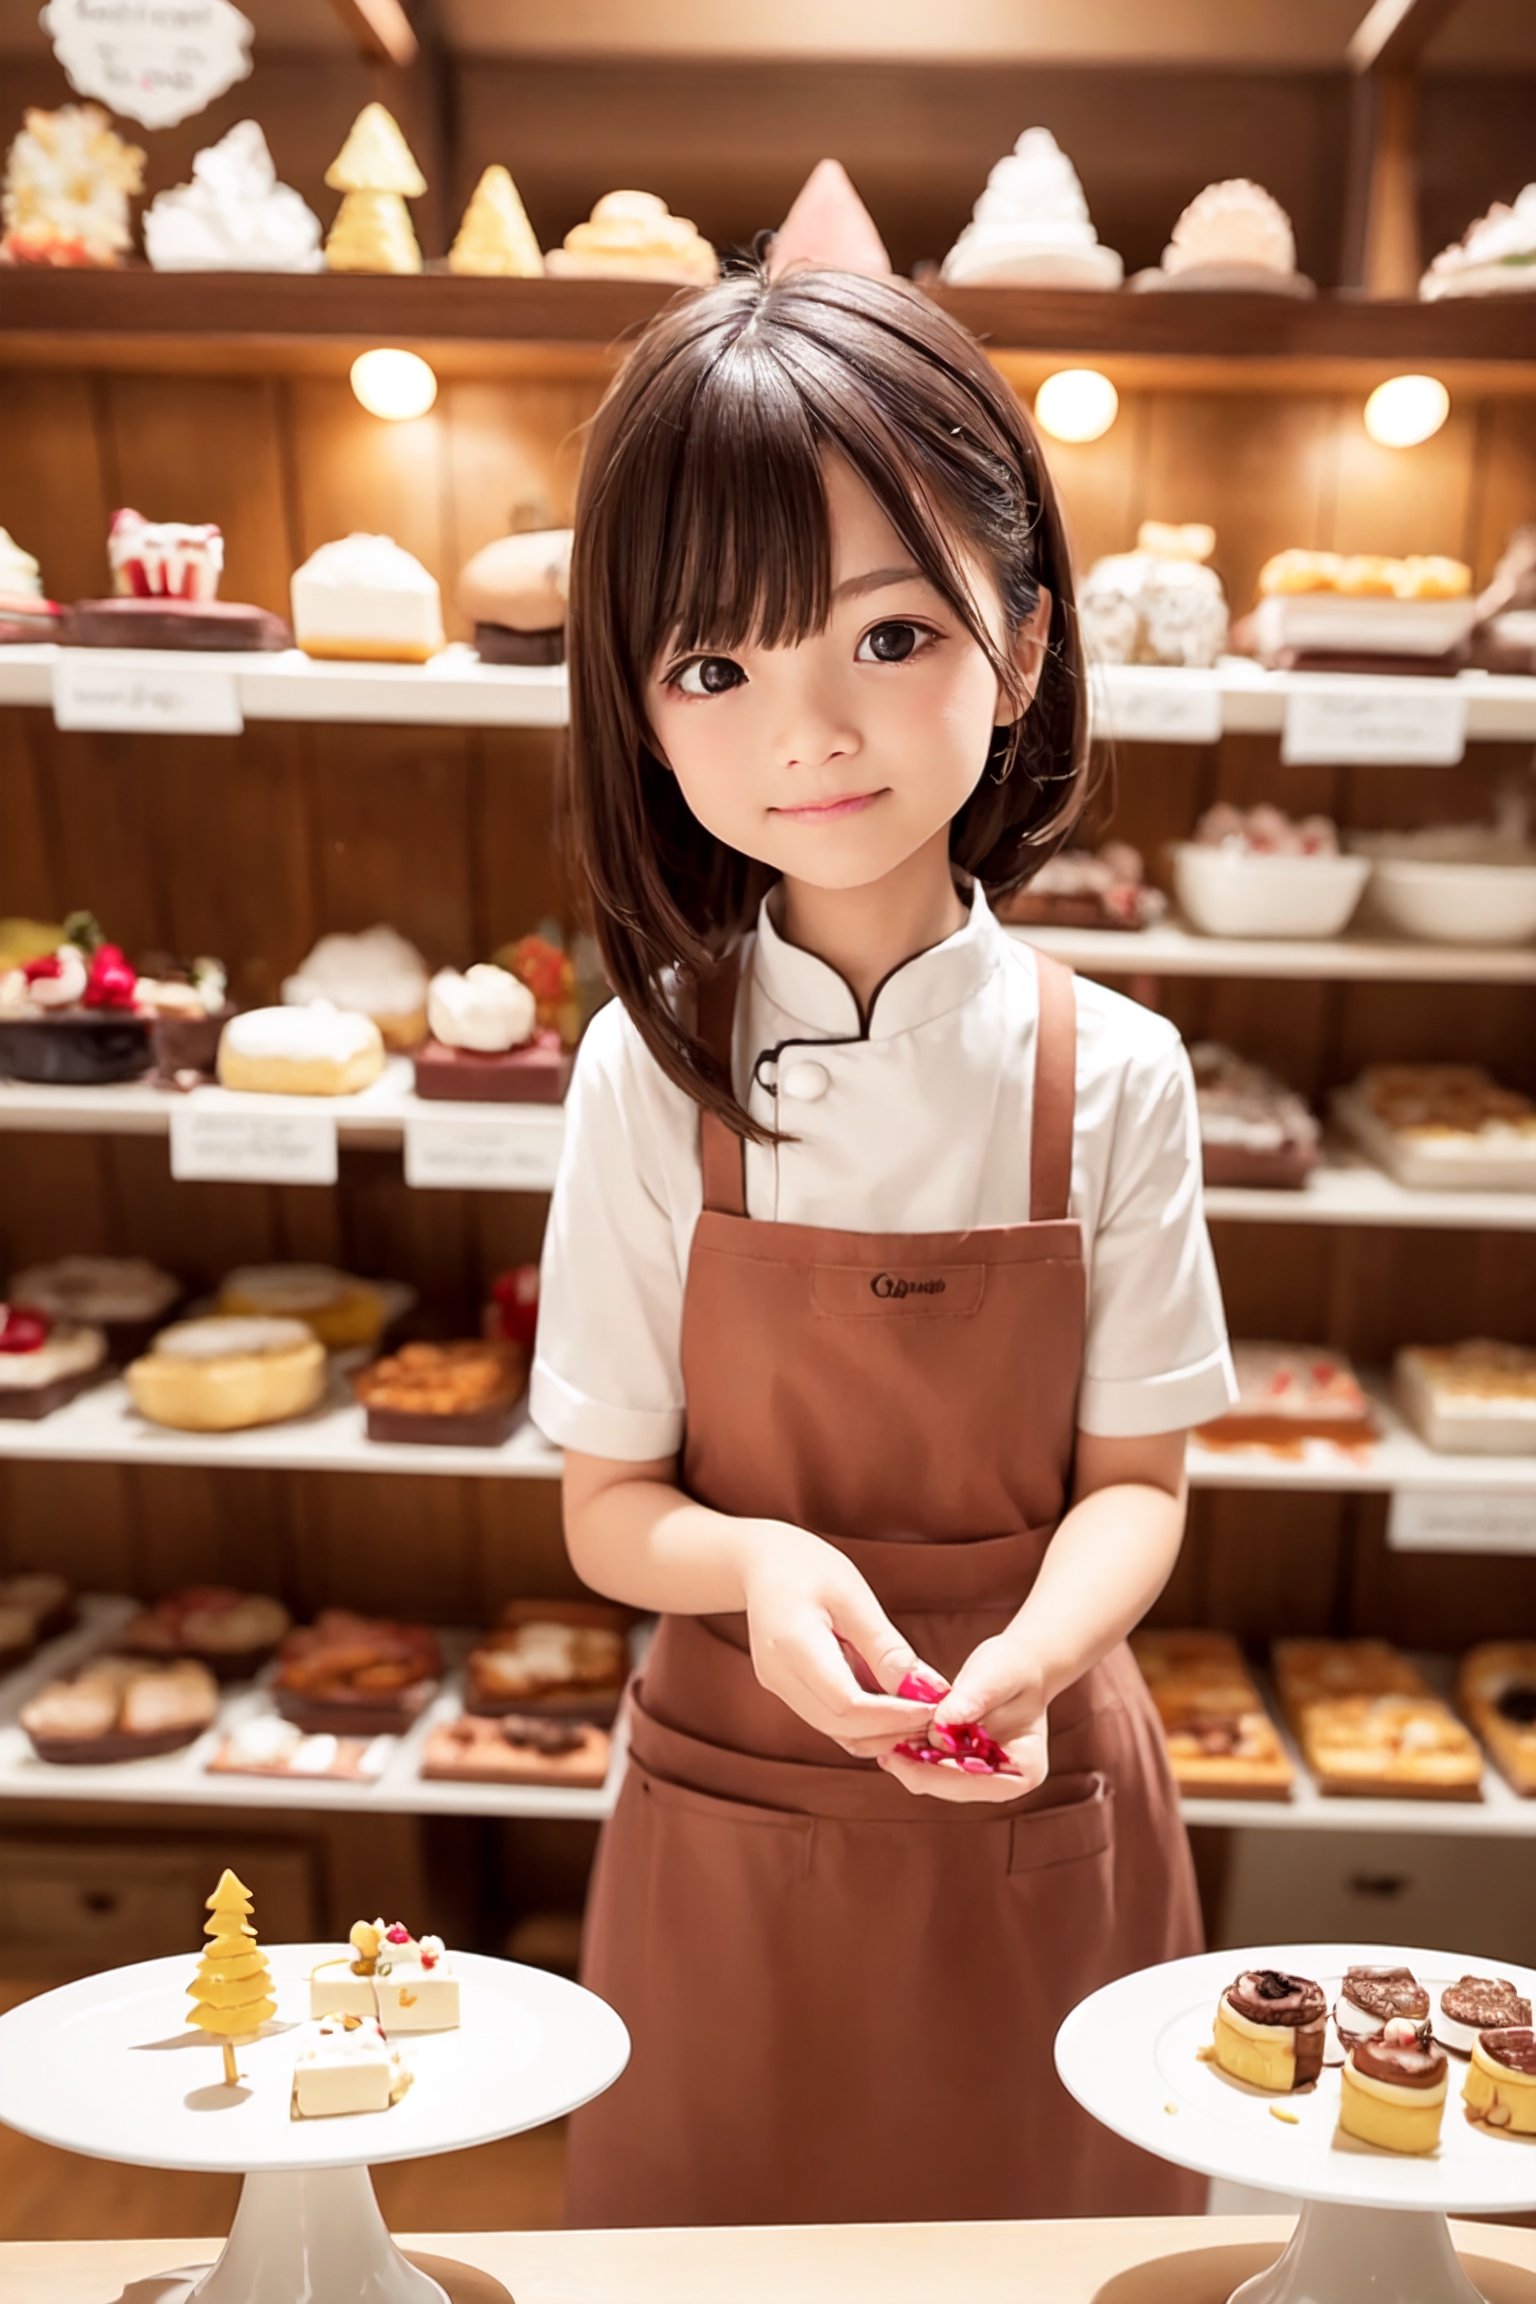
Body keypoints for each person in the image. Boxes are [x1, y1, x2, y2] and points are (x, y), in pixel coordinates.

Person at [531, 265, 1236, 2228]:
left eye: (889, 632)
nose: (808, 731)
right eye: (715, 668)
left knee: (1059, 2243)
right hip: (728, 1796)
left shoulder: (1118, 1075)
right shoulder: (647, 1066)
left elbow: (1139, 1496)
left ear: (1017, 651)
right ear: (641, 709)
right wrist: (754, 1562)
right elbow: (610, 1511)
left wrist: (1025, 1657)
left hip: (1043, 1784)